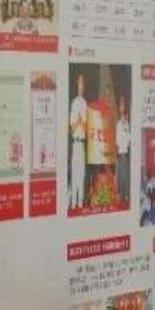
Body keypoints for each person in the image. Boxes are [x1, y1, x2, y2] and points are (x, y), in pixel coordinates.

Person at [69, 72, 88, 210]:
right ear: (77, 84)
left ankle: (80, 204)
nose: (81, 85)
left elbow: (86, 128)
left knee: (81, 175)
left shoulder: (85, 103)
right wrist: (80, 121)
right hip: (75, 143)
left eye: (83, 83)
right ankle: (73, 204)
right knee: (75, 175)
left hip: (82, 144)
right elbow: (72, 127)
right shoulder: (74, 102)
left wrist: (83, 123)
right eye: (80, 82)